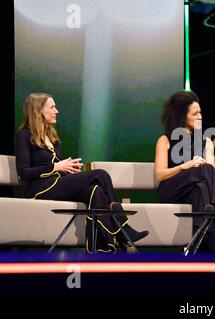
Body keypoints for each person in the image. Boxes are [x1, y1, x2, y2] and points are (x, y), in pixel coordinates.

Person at [15, 93, 149, 253]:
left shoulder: (53, 137)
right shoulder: (24, 136)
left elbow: (61, 171)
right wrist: (56, 167)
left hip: (57, 185)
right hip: (40, 189)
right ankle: (122, 228)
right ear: (37, 112)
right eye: (52, 107)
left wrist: (70, 172)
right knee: (100, 174)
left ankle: (101, 250)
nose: (56, 111)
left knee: (95, 192)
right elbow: (23, 172)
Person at [154, 90, 215, 252]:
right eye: (195, 113)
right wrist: (184, 166)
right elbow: (160, 174)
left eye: (200, 112)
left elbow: (210, 174)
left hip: (196, 190)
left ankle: (201, 247)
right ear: (182, 116)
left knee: (202, 189)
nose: (200, 116)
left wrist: (202, 164)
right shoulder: (165, 140)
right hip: (171, 190)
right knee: (203, 173)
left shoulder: (206, 141)